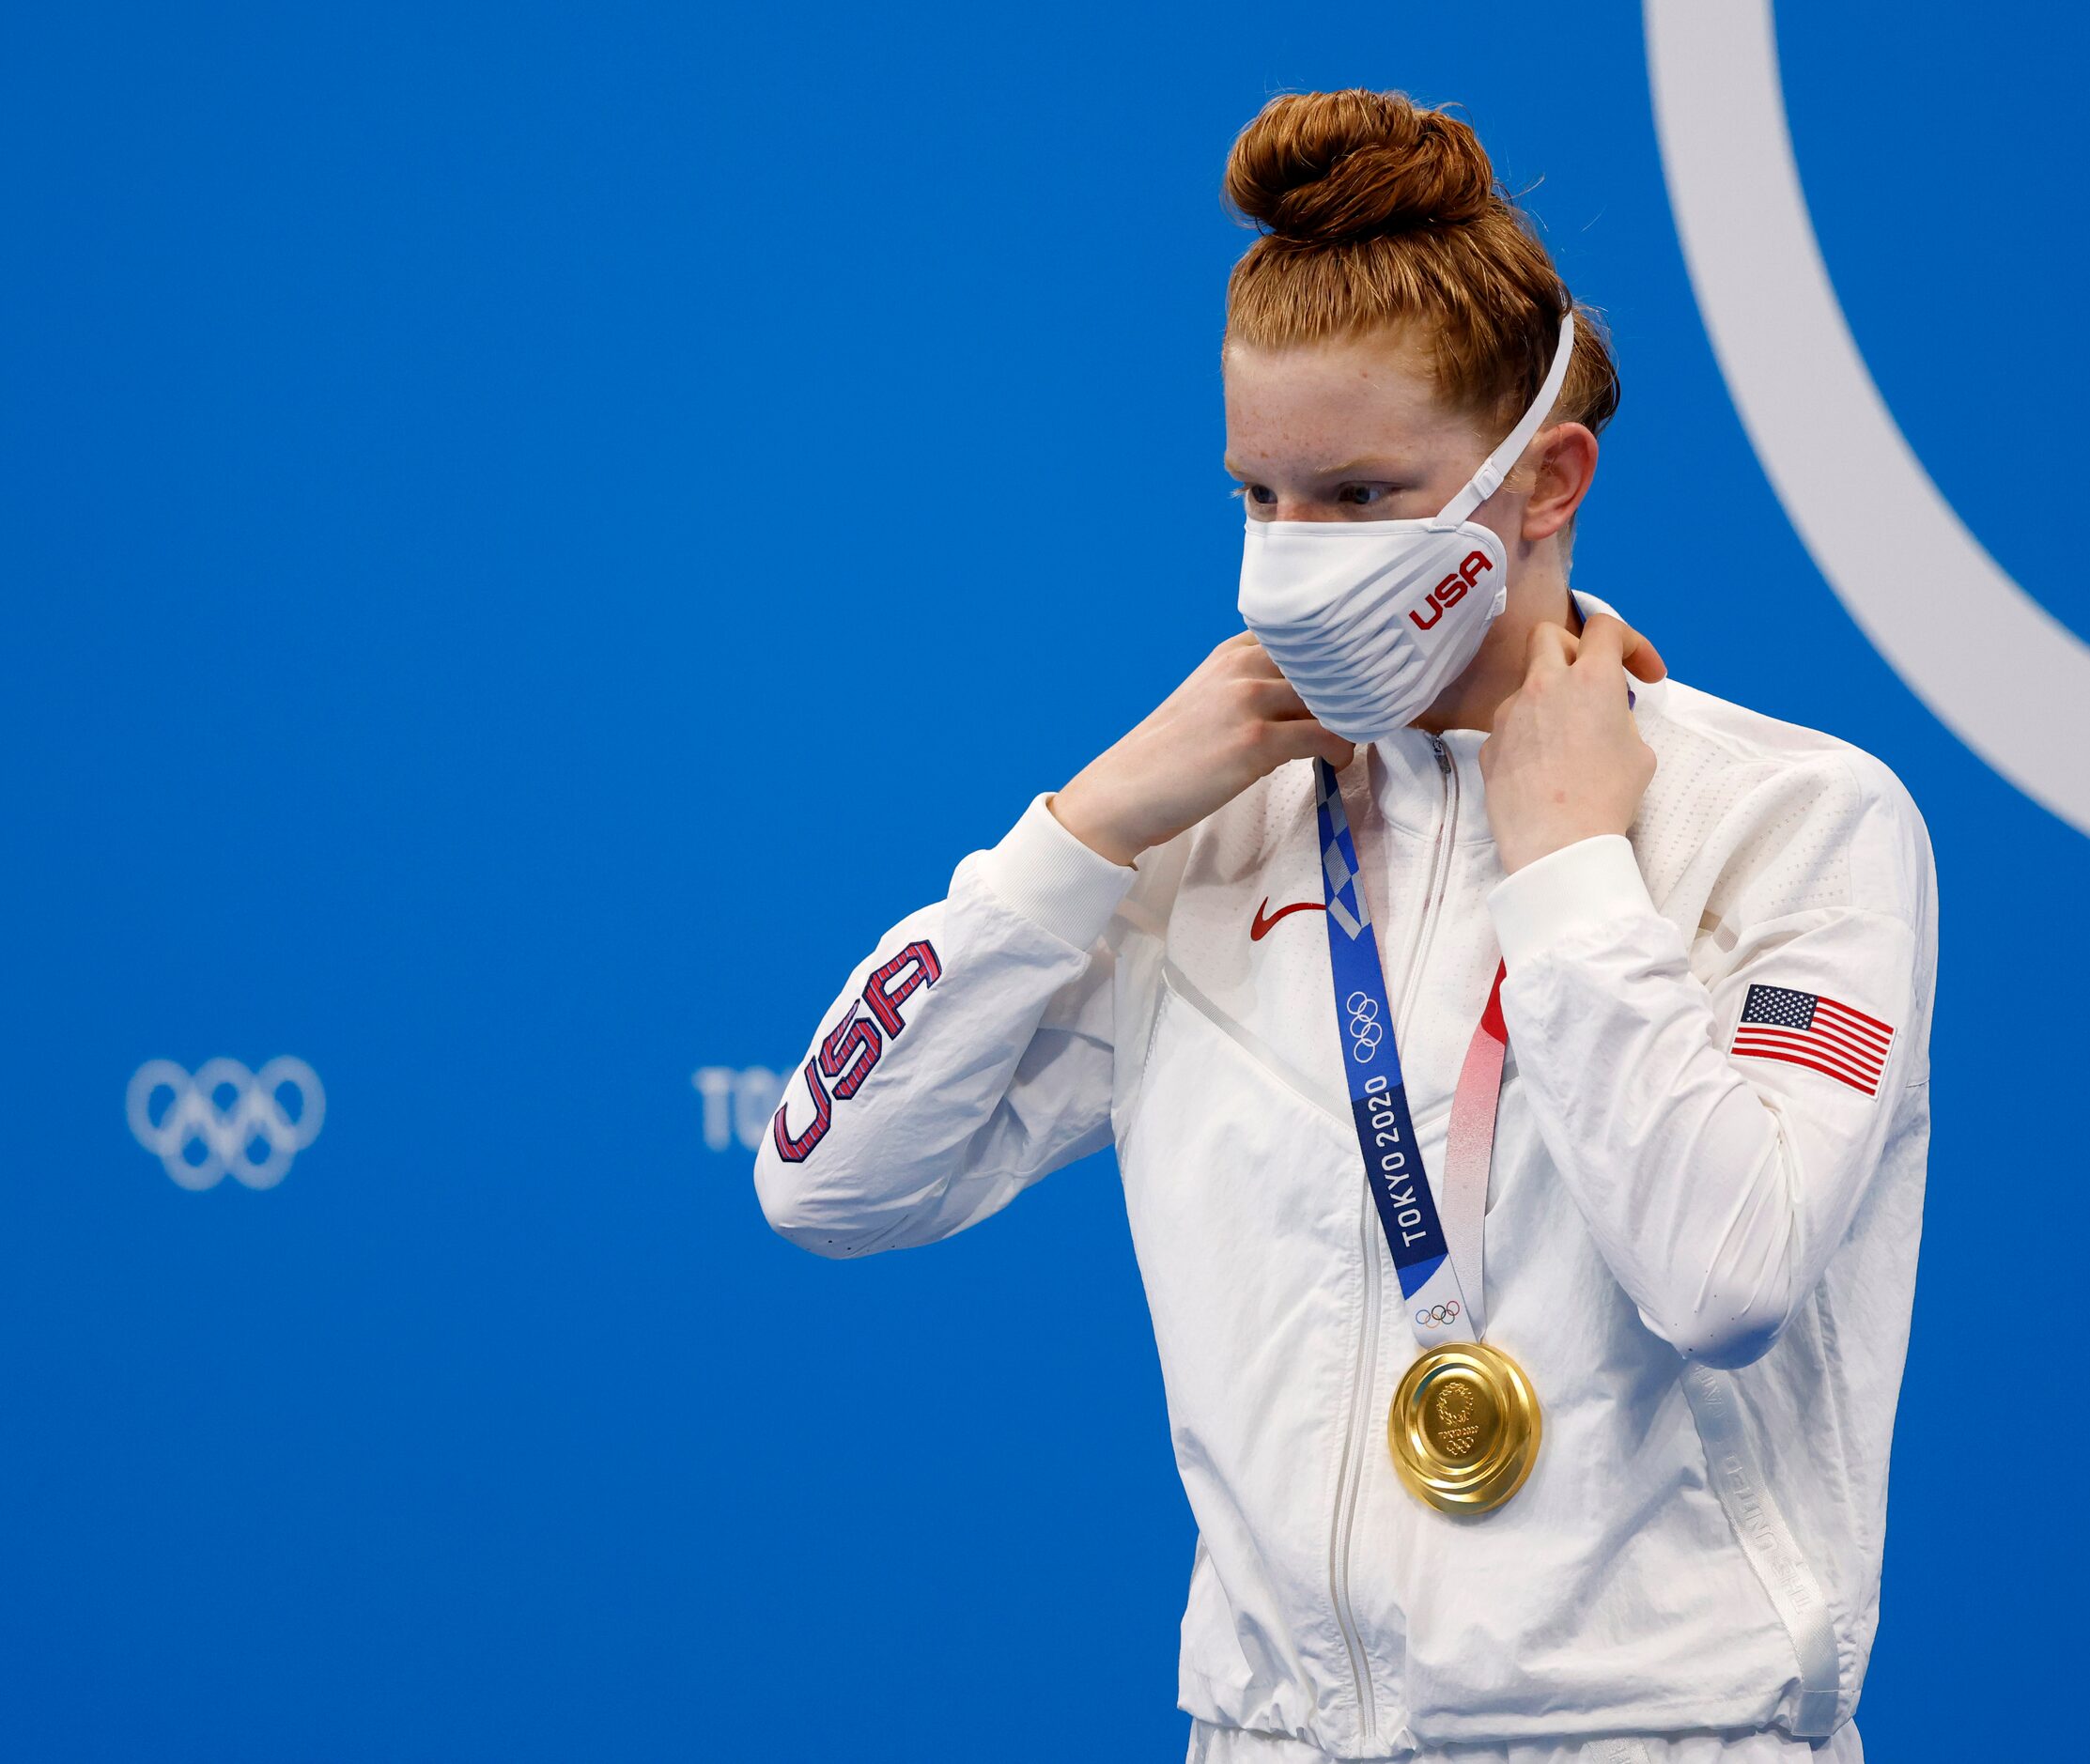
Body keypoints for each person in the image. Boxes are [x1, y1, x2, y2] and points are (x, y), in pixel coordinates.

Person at [752, 86, 1935, 1764]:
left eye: (1364, 497)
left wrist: (1568, 866)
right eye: (1258, 497)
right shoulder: (1199, 834)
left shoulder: (1792, 815)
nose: (1290, 566)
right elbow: (825, 1179)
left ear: (1544, 481)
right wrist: (1079, 829)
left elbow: (1723, 1273)